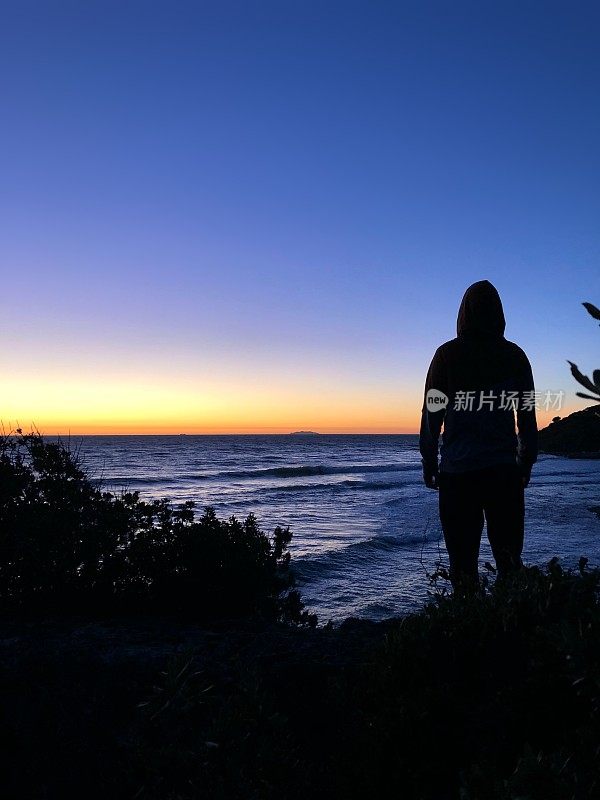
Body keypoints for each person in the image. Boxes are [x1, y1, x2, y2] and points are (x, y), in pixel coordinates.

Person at [419, 280, 538, 590]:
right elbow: (526, 416)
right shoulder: (515, 356)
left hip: (459, 475)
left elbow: (433, 413)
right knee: (510, 563)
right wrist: (526, 460)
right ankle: (510, 631)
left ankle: (469, 631)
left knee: (462, 568)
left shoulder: (447, 355)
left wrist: (429, 459)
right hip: (503, 473)